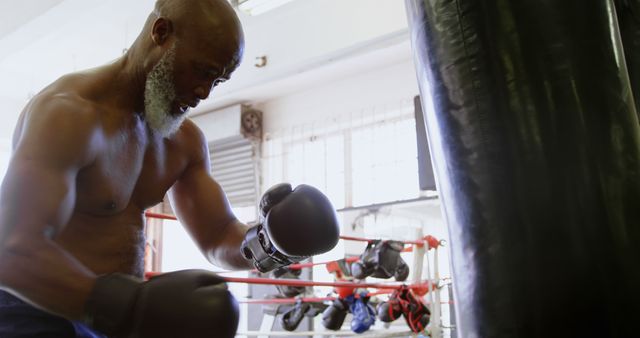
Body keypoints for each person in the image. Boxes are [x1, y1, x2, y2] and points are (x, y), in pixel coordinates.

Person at [0, 0, 340, 337]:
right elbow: (11, 249)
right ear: (160, 33)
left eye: (218, 81)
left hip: (113, 320)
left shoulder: (182, 141)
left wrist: (270, 242)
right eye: (202, 71)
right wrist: (130, 307)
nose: (203, 92)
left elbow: (218, 235)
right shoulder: (68, 116)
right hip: (39, 310)